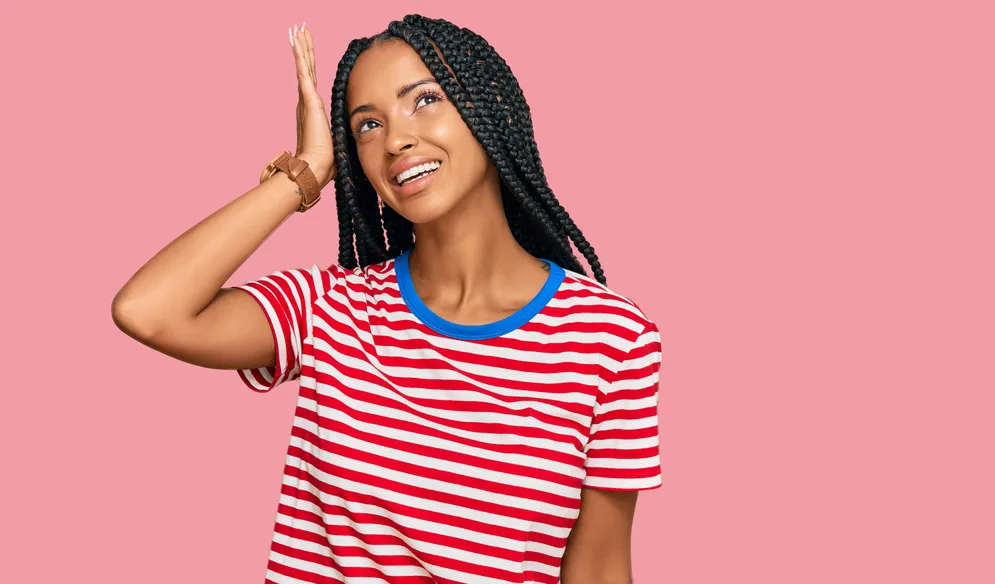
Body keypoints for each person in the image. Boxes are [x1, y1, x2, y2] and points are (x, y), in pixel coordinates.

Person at [112, 13, 663, 584]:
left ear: (489, 107)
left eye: (424, 100)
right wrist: (308, 170)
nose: (395, 139)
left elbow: (598, 567)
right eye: (367, 125)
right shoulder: (330, 308)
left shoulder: (610, 338)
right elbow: (149, 310)